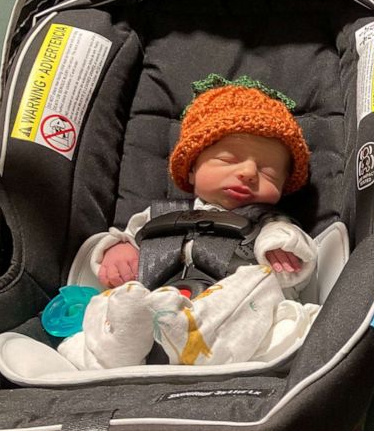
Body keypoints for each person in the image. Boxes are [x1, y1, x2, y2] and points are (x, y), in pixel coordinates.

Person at [57, 76, 320, 369]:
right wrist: (117, 252)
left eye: (268, 172)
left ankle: (195, 338)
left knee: (263, 285)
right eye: (228, 159)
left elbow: (294, 249)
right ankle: (119, 344)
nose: (248, 172)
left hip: (224, 325)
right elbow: (124, 239)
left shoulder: (269, 224)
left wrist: (281, 249)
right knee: (112, 300)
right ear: (192, 168)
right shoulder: (156, 216)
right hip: (149, 312)